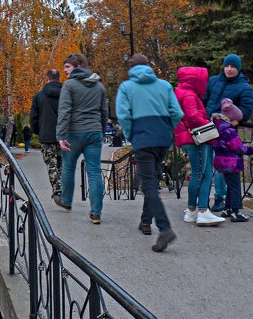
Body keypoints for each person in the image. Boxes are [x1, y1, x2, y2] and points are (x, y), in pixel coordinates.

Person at [115, 54, 184, 252]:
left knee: (149, 184)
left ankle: (164, 228)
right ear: (149, 67)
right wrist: (166, 129)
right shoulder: (164, 86)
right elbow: (177, 113)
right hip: (163, 139)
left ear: (131, 68)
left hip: (143, 139)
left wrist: (132, 135)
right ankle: (145, 221)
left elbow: (123, 115)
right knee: (152, 177)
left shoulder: (127, 87)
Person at [53, 53, 107, 224]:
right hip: (94, 132)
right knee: (94, 171)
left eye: (67, 67)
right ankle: (96, 213)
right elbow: (104, 113)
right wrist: (102, 131)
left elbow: (64, 111)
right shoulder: (99, 86)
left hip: (74, 133)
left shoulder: (69, 85)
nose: (64, 70)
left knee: (68, 167)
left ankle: (66, 201)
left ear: (78, 66)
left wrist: (60, 135)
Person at [204, 54, 253, 215]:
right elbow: (205, 100)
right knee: (207, 167)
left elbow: (245, 111)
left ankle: (226, 203)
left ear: (238, 69)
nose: (229, 69)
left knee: (226, 169)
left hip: (225, 135)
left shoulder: (244, 87)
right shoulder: (213, 81)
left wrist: (231, 123)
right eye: (227, 66)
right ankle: (225, 207)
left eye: (233, 67)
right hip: (207, 130)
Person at [173, 67, 225, 226]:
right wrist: (210, 125)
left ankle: (193, 211)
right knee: (201, 174)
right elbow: (193, 117)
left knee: (204, 173)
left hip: (191, 138)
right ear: (195, 80)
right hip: (197, 139)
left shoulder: (183, 92)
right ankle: (200, 211)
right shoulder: (189, 95)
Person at [211, 99, 253, 222]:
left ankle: (228, 208)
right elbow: (238, 147)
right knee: (236, 186)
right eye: (237, 120)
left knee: (230, 185)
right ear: (230, 118)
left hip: (222, 161)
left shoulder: (218, 127)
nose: (238, 122)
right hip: (231, 162)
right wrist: (252, 150)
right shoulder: (229, 131)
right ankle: (236, 211)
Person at [30, 69, 63, 199]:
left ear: (47, 78)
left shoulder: (39, 96)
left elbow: (34, 118)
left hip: (46, 135)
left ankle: (58, 189)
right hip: (63, 135)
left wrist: (37, 131)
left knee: (51, 164)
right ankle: (65, 188)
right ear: (58, 78)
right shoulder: (65, 94)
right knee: (63, 163)